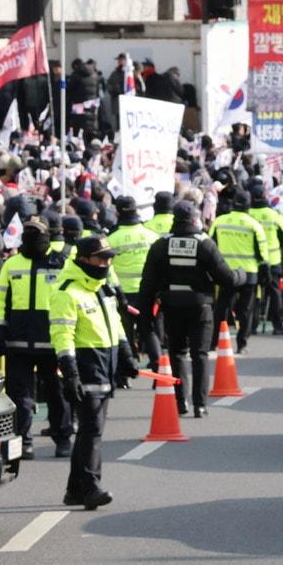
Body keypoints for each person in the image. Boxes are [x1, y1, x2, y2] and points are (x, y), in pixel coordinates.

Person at [50, 235, 137, 509]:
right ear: (84, 259)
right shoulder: (67, 291)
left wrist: (126, 354)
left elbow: (116, 325)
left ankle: (75, 490)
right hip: (86, 365)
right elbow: (62, 336)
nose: (106, 263)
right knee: (93, 430)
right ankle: (90, 487)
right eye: (101, 258)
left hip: (105, 363)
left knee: (90, 429)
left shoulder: (101, 287)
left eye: (109, 258)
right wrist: (70, 373)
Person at [138, 201, 242, 418]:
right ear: (196, 219)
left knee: (177, 354)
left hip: (172, 307)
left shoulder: (160, 245)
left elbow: (147, 285)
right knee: (200, 355)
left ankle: (180, 401)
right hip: (200, 307)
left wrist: (145, 317)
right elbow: (227, 278)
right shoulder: (205, 244)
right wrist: (241, 275)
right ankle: (200, 404)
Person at [0, 219, 71, 460]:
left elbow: (69, 300)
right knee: (20, 396)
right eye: (29, 234)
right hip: (19, 343)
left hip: (52, 343)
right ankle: (23, 442)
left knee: (57, 394)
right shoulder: (11, 264)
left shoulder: (60, 262)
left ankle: (62, 437)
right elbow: (0, 300)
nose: (33, 238)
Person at [208, 187, 266, 350]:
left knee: (221, 308)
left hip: (225, 271)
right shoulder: (254, 224)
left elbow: (211, 246)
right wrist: (264, 267)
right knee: (245, 309)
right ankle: (242, 344)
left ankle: (213, 342)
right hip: (249, 272)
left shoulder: (220, 221)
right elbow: (262, 252)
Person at [107, 195, 161, 370]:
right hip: (149, 291)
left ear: (117, 212)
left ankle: (128, 371)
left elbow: (107, 270)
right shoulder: (152, 237)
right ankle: (159, 366)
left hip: (122, 293)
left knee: (124, 333)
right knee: (149, 330)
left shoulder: (111, 239)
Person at [248, 185, 283, 336]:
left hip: (252, 261)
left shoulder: (247, 214)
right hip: (272, 260)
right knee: (275, 293)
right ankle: (278, 325)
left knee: (251, 293)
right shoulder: (275, 215)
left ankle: (250, 326)